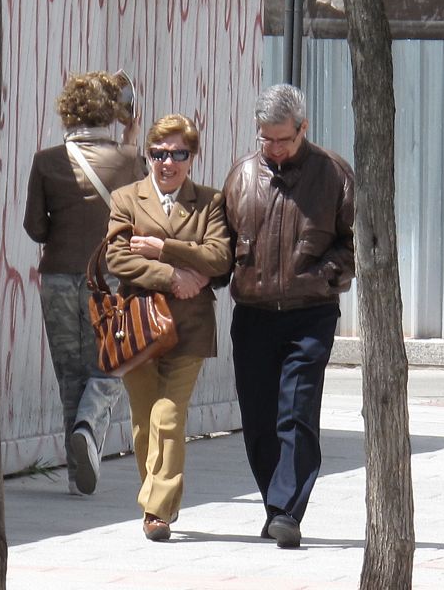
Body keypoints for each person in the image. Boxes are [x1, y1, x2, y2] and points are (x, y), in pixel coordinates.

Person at [222, 83, 355, 548]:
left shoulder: (334, 174)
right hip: (253, 314)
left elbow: (354, 241)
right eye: (266, 139)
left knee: (296, 412)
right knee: (259, 418)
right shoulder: (240, 176)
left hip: (310, 313)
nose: (275, 149)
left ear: (304, 128)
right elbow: (220, 244)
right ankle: (275, 503)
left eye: (284, 139)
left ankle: (287, 511)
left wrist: (325, 273)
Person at [105, 114, 232, 541]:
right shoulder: (126, 198)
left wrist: (163, 247)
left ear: (192, 158)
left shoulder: (210, 201)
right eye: (159, 154)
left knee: (168, 416)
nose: (168, 163)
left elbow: (218, 258)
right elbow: (118, 259)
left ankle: (156, 510)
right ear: (149, 156)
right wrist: (173, 275)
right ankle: (158, 499)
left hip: (190, 327)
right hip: (138, 326)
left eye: (178, 154)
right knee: (143, 422)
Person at [24, 70, 146, 496]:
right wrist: (132, 135)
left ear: (67, 112)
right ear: (111, 114)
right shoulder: (130, 160)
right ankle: (90, 426)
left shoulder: (46, 161)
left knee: (70, 376)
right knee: (112, 364)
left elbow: (35, 228)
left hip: (57, 278)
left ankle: (79, 477)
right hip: (108, 279)